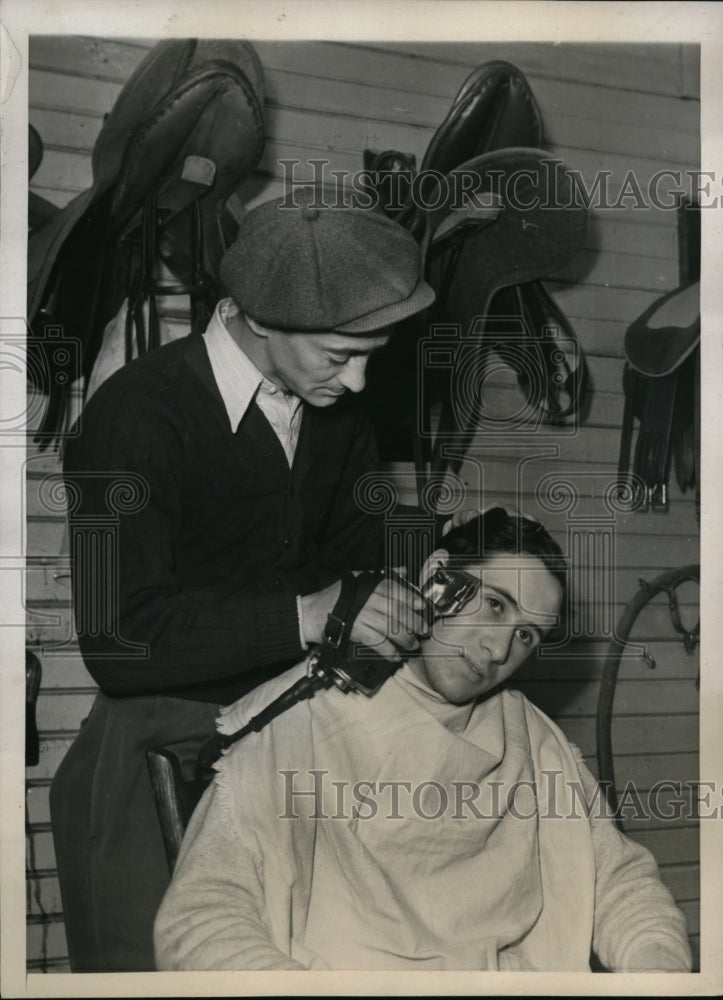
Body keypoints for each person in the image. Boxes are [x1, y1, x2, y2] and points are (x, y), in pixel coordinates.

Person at [50, 187, 436, 971]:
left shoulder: (334, 413)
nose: (358, 385)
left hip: (288, 742)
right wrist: (309, 614)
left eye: (372, 357)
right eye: (338, 356)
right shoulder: (134, 415)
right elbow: (115, 643)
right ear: (257, 319)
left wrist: (438, 556)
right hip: (153, 756)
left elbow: (364, 543)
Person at [154, 508, 693, 973]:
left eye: (526, 635)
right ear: (438, 576)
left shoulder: (532, 739)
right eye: (496, 604)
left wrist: (658, 971)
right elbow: (200, 919)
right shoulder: (307, 711)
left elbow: (620, 883)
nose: (499, 649)